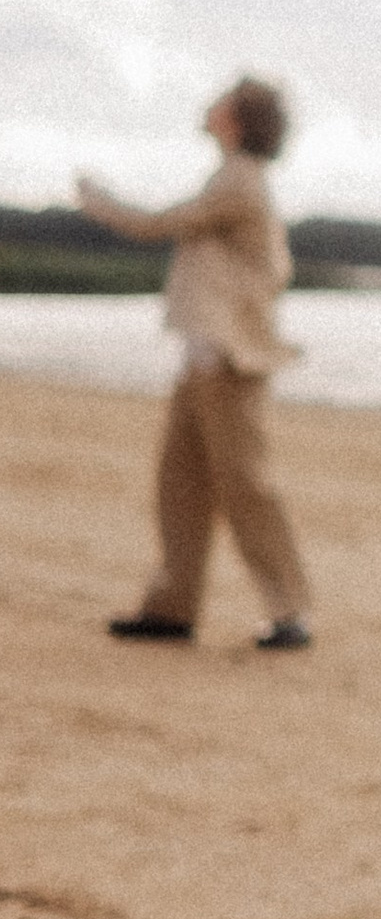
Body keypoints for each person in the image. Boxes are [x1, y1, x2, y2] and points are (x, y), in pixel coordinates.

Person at [80, 77, 314, 653]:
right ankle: (171, 609)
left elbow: (158, 223)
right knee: (181, 482)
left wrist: (99, 203)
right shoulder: (235, 174)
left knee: (245, 484)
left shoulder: (240, 179)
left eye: (221, 102)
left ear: (237, 118)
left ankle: (290, 612)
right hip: (206, 355)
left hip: (226, 359)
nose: (208, 107)